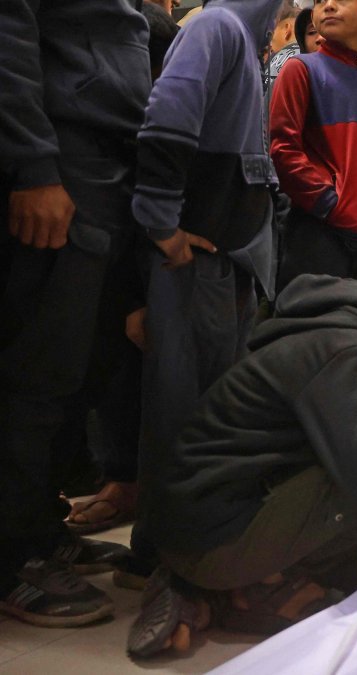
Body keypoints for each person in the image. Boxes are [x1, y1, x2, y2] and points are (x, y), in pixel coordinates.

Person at [128, 276, 357, 656]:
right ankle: (234, 586)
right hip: (206, 542)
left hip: (216, 516)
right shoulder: (353, 358)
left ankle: (258, 583)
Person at [1, 0, 151, 628]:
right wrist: (32, 163)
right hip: (60, 160)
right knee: (34, 376)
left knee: (76, 376)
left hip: (106, 166)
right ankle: (10, 559)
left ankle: (39, 531)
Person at [130, 0, 283, 586]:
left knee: (206, 411)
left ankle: (181, 556)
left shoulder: (239, 37)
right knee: (184, 414)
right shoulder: (217, 27)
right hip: (199, 261)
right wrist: (162, 223)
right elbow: (168, 117)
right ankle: (170, 563)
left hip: (226, 262)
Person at [271, 0, 357, 292]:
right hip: (320, 236)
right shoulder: (300, 70)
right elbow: (283, 150)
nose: (328, 6)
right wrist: (330, 205)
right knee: (316, 334)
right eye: (321, 1)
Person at [266, 2, 301, 99]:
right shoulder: (314, 57)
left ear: (287, 29)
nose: (270, 45)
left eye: (272, 35)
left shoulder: (283, 58)